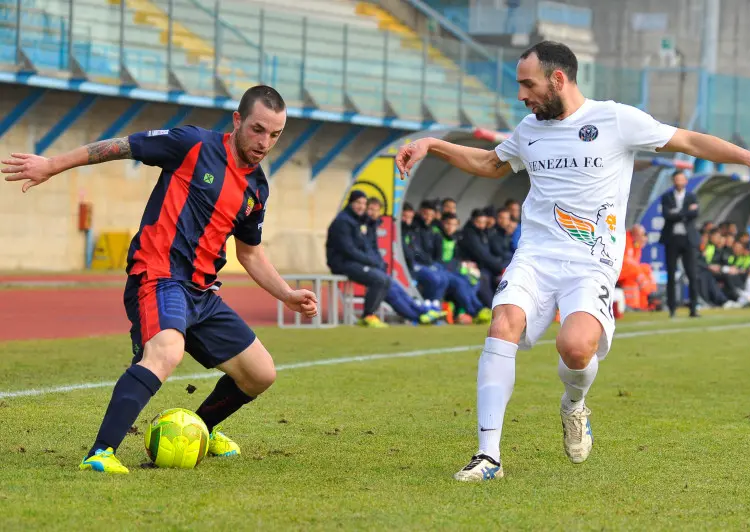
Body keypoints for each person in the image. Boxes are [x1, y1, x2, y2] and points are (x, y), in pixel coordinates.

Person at [393, 40, 750, 482]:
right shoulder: (529, 129)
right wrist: (433, 143)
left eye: (528, 84)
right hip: (536, 255)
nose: (521, 95)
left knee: (575, 348)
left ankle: (574, 405)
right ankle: (489, 456)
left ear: (558, 79)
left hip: (591, 262)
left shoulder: (615, 119)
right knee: (503, 322)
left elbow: (688, 139)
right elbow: (490, 163)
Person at [2, 85, 320, 474]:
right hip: (159, 277)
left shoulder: (257, 189)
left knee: (261, 373)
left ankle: (202, 429)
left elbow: (250, 253)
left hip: (203, 293)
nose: (264, 142)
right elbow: (120, 146)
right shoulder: (192, 144)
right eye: (257, 129)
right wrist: (52, 165)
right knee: (167, 352)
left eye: (275, 135)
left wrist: (286, 294)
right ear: (237, 120)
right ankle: (101, 453)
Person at [365, 197, 441, 325]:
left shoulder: (408, 229)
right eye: (371, 209)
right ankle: (418, 315)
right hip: (363, 267)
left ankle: (421, 312)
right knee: (391, 289)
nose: (373, 213)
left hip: (378, 267)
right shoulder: (365, 226)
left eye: (376, 210)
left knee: (397, 289)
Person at [326, 190, 390, 328]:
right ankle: (368, 316)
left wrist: (375, 262)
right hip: (341, 263)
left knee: (384, 278)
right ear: (350, 203)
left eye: (363, 203)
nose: (361, 206)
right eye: (358, 202)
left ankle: (369, 315)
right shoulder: (343, 221)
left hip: (352, 262)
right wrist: (371, 261)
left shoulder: (356, 221)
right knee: (378, 279)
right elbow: (348, 249)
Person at [659, 170, 700, 318]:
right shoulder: (666, 197)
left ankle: (694, 308)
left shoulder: (692, 196)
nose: (679, 182)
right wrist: (684, 213)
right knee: (671, 273)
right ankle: (672, 308)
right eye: (677, 179)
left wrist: (676, 213)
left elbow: (695, 214)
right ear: (673, 181)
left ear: (686, 181)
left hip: (688, 239)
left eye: (682, 179)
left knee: (692, 274)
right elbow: (666, 215)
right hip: (672, 239)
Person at [617, 224, 657, 311]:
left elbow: (635, 262)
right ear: (635, 235)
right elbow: (626, 261)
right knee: (635, 270)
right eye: (642, 235)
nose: (644, 238)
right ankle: (646, 296)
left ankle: (647, 302)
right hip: (617, 271)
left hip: (628, 272)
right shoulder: (624, 239)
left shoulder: (636, 244)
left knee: (646, 268)